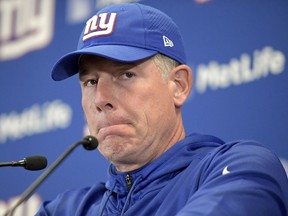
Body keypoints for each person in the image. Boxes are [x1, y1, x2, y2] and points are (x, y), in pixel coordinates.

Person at [36, 3, 288, 216]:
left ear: (178, 85)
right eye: (91, 82)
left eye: (125, 74)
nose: (100, 99)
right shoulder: (65, 210)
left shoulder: (243, 167)